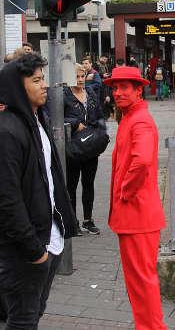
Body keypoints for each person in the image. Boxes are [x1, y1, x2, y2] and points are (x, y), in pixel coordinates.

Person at [0, 54, 76, 329]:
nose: (44, 85)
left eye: (42, 78)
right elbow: (7, 201)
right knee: (22, 320)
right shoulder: (4, 134)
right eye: (36, 80)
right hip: (26, 249)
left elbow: (48, 180)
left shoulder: (34, 122)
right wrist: (35, 251)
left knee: (32, 315)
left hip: (48, 240)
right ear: (16, 88)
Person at [105, 66, 166, 330]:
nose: (117, 93)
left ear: (138, 90)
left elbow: (141, 162)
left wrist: (125, 192)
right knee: (141, 280)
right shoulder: (133, 116)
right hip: (137, 214)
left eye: (124, 88)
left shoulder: (138, 120)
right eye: (115, 88)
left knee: (141, 280)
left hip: (137, 214)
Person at [64, 64, 104, 235]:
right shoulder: (64, 95)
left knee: (89, 184)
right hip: (73, 147)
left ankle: (88, 220)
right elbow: (53, 116)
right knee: (71, 185)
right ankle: (73, 221)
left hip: (90, 145)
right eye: (76, 77)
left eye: (82, 76)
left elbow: (100, 114)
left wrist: (101, 132)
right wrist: (74, 123)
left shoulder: (91, 92)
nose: (80, 80)